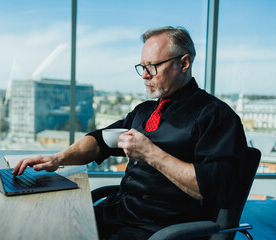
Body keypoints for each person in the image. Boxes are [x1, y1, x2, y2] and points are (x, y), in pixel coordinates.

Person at [12, 26, 247, 240]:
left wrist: (151, 154)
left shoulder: (215, 116)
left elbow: (219, 190)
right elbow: (100, 141)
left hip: (160, 229)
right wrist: (57, 158)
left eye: (152, 66)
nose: (145, 75)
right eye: (142, 67)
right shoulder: (145, 111)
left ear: (183, 64)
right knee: (44, 225)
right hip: (119, 213)